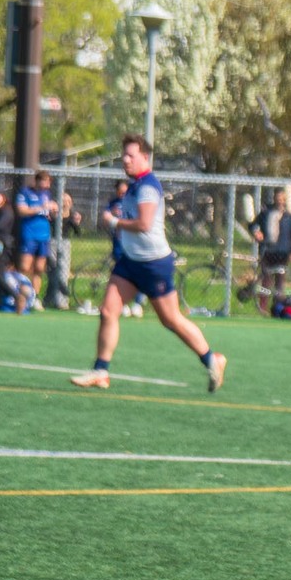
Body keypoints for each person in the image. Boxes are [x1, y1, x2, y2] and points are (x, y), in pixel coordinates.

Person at [71, 134, 226, 393]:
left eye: (130, 155)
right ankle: (101, 371)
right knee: (108, 311)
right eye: (124, 155)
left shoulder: (147, 186)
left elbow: (143, 225)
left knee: (171, 320)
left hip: (154, 264)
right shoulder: (133, 186)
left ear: (145, 157)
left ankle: (212, 359)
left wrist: (113, 222)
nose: (125, 160)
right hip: (130, 262)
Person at [14, 169, 57, 309]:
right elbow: (22, 210)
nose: (46, 184)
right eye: (43, 181)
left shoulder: (47, 194)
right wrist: (40, 207)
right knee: (25, 266)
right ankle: (19, 294)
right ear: (37, 181)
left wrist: (54, 210)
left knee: (39, 268)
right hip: (29, 235)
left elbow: (50, 214)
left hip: (44, 236)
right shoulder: (25, 192)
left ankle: (35, 297)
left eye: (48, 182)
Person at [250, 188, 291, 307]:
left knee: (280, 281)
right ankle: (263, 307)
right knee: (266, 280)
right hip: (268, 251)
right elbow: (253, 225)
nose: (280, 201)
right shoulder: (266, 213)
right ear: (274, 199)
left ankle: (278, 306)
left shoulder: (289, 217)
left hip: (282, 252)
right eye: (278, 199)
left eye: (282, 199)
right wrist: (256, 232)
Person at [45, 190, 83, 308]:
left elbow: (78, 233)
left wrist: (76, 223)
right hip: (52, 242)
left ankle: (62, 301)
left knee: (63, 272)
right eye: (63, 200)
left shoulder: (71, 215)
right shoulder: (53, 214)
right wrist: (51, 217)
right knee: (52, 271)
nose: (65, 203)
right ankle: (49, 299)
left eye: (68, 201)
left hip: (64, 243)